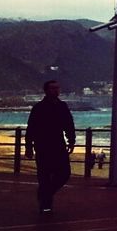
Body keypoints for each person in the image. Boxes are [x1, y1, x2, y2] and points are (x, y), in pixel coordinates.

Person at [26, 79, 76, 214]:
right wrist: (28, 147)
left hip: (59, 144)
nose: (56, 90)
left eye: (57, 88)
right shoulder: (39, 108)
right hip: (42, 146)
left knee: (64, 173)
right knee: (44, 176)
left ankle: (45, 194)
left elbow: (69, 124)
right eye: (53, 88)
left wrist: (72, 140)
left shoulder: (62, 106)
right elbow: (31, 128)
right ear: (46, 90)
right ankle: (46, 205)